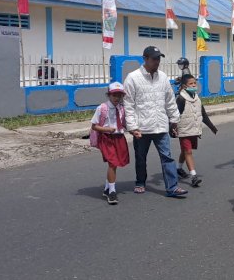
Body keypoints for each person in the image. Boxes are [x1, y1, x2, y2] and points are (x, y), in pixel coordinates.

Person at [123, 46, 188, 198]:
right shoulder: (132, 78)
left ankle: (172, 187)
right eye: (154, 59)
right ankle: (140, 182)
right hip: (142, 128)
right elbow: (129, 105)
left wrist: (174, 121)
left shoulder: (163, 77)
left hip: (160, 126)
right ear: (145, 59)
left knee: (167, 157)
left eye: (159, 58)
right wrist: (132, 127)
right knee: (140, 157)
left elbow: (170, 101)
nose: (157, 62)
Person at [175, 74, 218, 187]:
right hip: (184, 130)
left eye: (194, 83)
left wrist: (211, 126)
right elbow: (175, 115)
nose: (194, 85)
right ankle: (193, 176)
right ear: (184, 86)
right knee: (188, 151)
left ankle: (178, 168)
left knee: (185, 150)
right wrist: (172, 128)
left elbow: (202, 114)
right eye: (191, 84)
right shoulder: (181, 99)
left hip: (194, 129)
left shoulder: (197, 98)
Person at [90, 82, 130, 205]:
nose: (117, 98)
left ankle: (107, 187)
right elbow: (94, 126)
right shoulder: (102, 108)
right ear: (109, 95)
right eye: (114, 95)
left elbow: (124, 123)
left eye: (119, 95)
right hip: (107, 138)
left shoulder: (122, 108)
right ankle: (112, 192)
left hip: (119, 137)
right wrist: (106, 129)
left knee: (116, 163)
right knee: (112, 163)